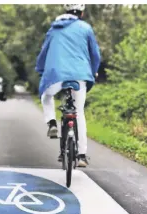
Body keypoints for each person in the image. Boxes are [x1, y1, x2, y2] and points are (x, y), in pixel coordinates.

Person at [35, 4, 101, 167]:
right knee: (79, 112)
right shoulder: (86, 28)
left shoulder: (54, 29)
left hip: (56, 75)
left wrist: (40, 69)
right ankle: (82, 155)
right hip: (80, 75)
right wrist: (94, 71)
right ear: (82, 12)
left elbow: (44, 52)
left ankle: (51, 123)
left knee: (46, 96)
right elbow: (95, 54)